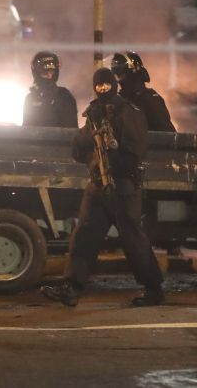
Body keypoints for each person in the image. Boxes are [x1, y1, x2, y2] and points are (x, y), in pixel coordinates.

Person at [41, 68, 165, 307]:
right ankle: (72, 287)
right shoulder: (94, 113)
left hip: (123, 187)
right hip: (98, 185)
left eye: (107, 85)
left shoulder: (128, 111)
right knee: (83, 236)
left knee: (133, 239)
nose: (103, 90)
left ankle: (153, 288)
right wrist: (91, 139)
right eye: (99, 86)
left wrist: (115, 159)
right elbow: (78, 150)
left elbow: (136, 149)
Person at [110, 51, 176, 132]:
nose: (117, 77)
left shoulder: (150, 100)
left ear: (131, 71)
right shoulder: (119, 101)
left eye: (119, 72)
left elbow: (166, 135)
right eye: (115, 72)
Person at [22, 51, 78, 128]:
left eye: (51, 73)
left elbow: (71, 130)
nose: (49, 76)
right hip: (36, 140)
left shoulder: (64, 96)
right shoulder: (30, 99)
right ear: (37, 73)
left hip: (60, 140)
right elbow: (26, 130)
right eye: (45, 73)